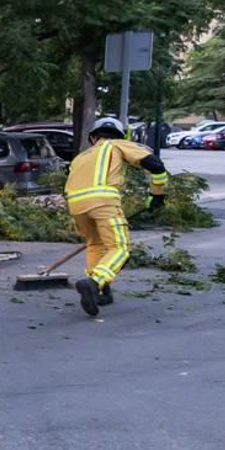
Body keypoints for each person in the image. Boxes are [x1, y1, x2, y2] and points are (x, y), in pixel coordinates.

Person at [64, 116, 169, 317]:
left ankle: (102, 292)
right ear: (120, 135)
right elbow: (156, 166)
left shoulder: (81, 157)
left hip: (76, 205)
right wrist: (157, 194)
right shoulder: (118, 144)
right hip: (103, 202)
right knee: (120, 248)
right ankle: (94, 283)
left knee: (95, 245)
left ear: (92, 138)